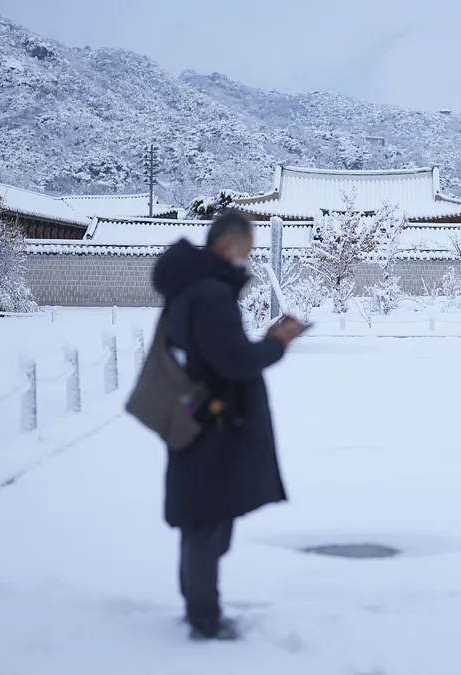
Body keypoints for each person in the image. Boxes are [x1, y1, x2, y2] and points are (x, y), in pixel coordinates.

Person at [150, 210, 307, 641]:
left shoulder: (188, 290)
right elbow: (235, 361)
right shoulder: (212, 294)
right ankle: (205, 619)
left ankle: (199, 608)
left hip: (192, 412)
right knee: (208, 522)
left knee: (199, 517)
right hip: (214, 421)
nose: (247, 259)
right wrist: (278, 342)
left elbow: (214, 353)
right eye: (248, 250)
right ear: (229, 245)